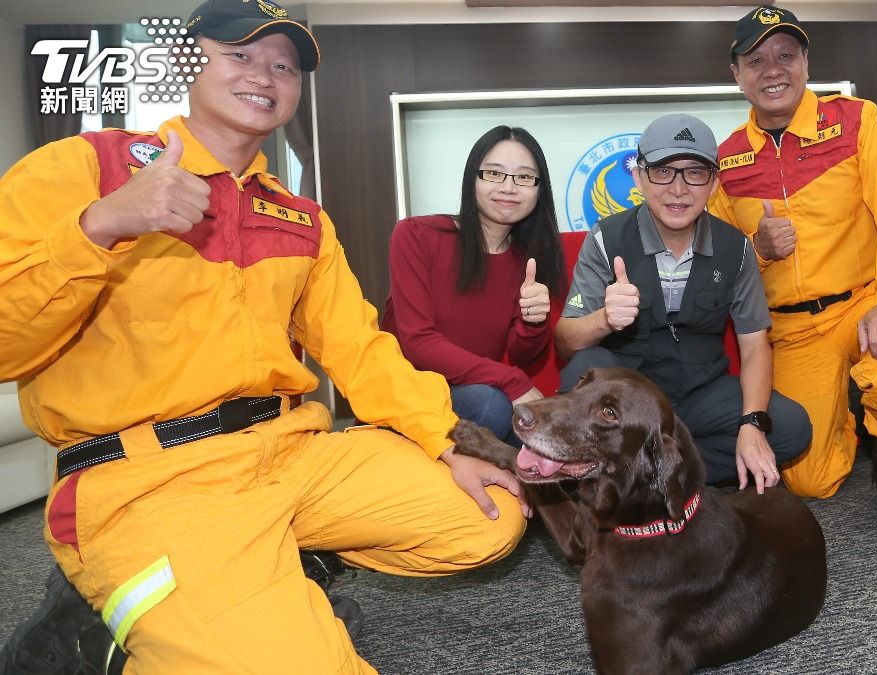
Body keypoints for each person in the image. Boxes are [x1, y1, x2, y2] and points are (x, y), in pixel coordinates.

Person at [0, 1, 528, 673]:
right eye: (240, 54)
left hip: (288, 455)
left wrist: (444, 442)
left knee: (488, 516)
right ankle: (136, 618)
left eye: (284, 65)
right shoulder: (83, 168)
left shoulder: (301, 217)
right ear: (188, 61)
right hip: (148, 478)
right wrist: (102, 225)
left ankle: (255, 572)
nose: (265, 76)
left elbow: (360, 350)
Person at [707, 6, 877, 530]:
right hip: (792, 331)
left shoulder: (859, 120)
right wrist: (755, 246)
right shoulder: (723, 161)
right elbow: (715, 266)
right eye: (757, 59)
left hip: (866, 300)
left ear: (806, 63)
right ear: (737, 74)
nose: (773, 70)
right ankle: (855, 415)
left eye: (786, 55)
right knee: (812, 479)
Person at [555, 113, 812, 493]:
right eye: (663, 171)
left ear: (713, 184)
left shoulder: (736, 247)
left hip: (700, 392)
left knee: (791, 427)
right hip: (630, 396)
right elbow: (565, 341)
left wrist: (752, 424)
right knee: (586, 370)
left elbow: (755, 345)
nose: (678, 189)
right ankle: (654, 471)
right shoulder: (606, 239)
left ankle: (647, 474)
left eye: (695, 173)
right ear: (640, 177)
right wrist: (605, 320)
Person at [381, 126, 566, 446]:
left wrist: (534, 322)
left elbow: (525, 354)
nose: (509, 187)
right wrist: (512, 382)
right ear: (473, 178)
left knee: (551, 435)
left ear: (539, 190)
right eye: (494, 174)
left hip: (477, 392)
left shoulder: (527, 260)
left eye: (523, 177)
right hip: (408, 393)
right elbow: (418, 343)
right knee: (492, 405)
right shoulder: (416, 234)